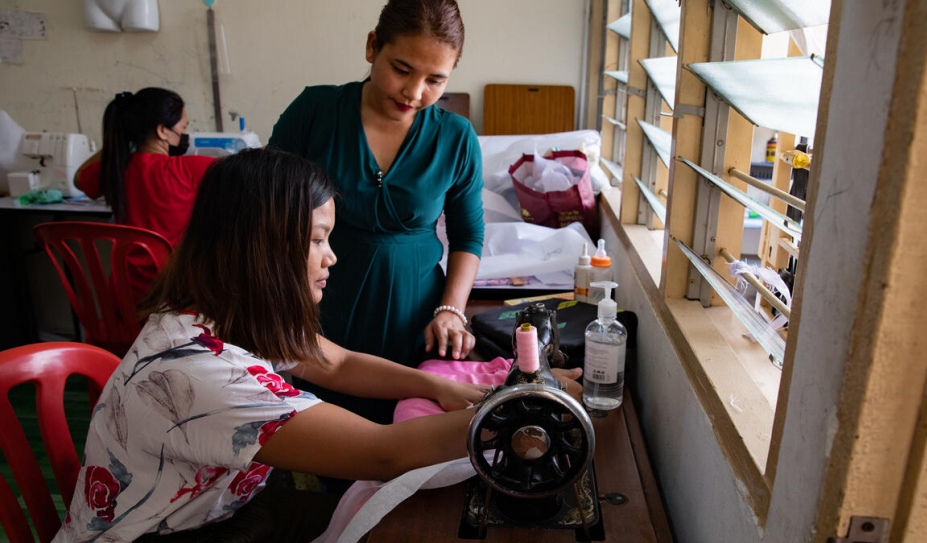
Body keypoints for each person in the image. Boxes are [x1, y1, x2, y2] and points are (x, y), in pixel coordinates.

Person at [53, 148, 583, 543]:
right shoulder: (200, 374)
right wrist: (529, 405)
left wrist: (438, 387)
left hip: (223, 508)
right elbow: (383, 453)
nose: (330, 258)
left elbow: (337, 362)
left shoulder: (227, 313)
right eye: (315, 240)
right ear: (260, 249)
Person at [268, 0, 484, 424]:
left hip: (415, 315)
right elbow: (266, 208)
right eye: (402, 69)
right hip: (319, 305)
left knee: (402, 429)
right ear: (372, 47)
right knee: (323, 429)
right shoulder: (315, 113)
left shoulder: (456, 138)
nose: (414, 92)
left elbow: (467, 234)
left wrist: (451, 311)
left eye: (435, 80)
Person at [74, 87, 215, 300]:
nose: (185, 135)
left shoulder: (117, 169)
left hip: (124, 296)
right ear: (162, 131)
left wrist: (117, 141)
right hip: (172, 296)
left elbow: (79, 178)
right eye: (183, 127)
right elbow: (243, 173)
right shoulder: (187, 169)